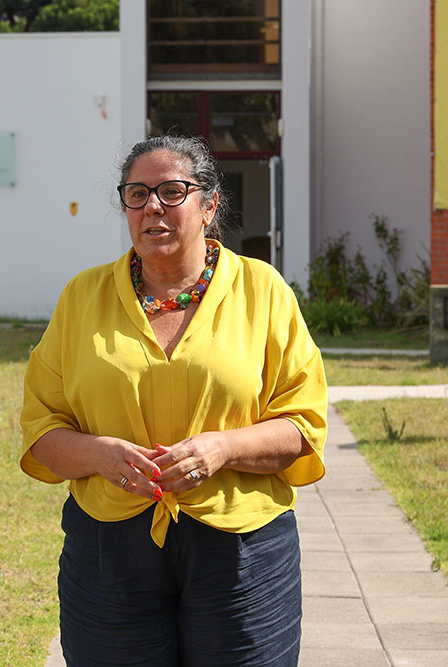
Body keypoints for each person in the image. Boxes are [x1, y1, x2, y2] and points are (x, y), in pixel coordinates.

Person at [19, 135, 327, 666]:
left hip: (241, 548)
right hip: (110, 547)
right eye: (137, 194)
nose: (152, 207)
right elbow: (41, 429)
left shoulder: (263, 290)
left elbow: (303, 425)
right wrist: (97, 455)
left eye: (171, 191)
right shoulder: (82, 296)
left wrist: (223, 450)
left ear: (208, 206)